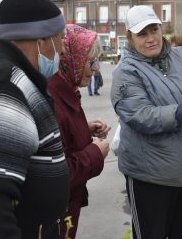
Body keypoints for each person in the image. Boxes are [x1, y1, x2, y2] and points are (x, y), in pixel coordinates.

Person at [110, 5, 182, 239]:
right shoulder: (127, 71)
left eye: (154, 30)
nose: (151, 39)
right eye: (142, 34)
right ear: (129, 37)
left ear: (162, 29)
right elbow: (141, 115)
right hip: (151, 179)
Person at [0, 0, 69, 239]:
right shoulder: (5, 88)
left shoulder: (11, 74)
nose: (63, 48)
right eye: (60, 38)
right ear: (41, 39)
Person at [47, 24, 110, 239]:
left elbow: (65, 134)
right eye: (91, 62)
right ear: (71, 58)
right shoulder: (53, 98)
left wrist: (85, 128)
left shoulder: (66, 87)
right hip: (57, 212)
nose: (96, 69)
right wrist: (95, 153)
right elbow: (57, 173)